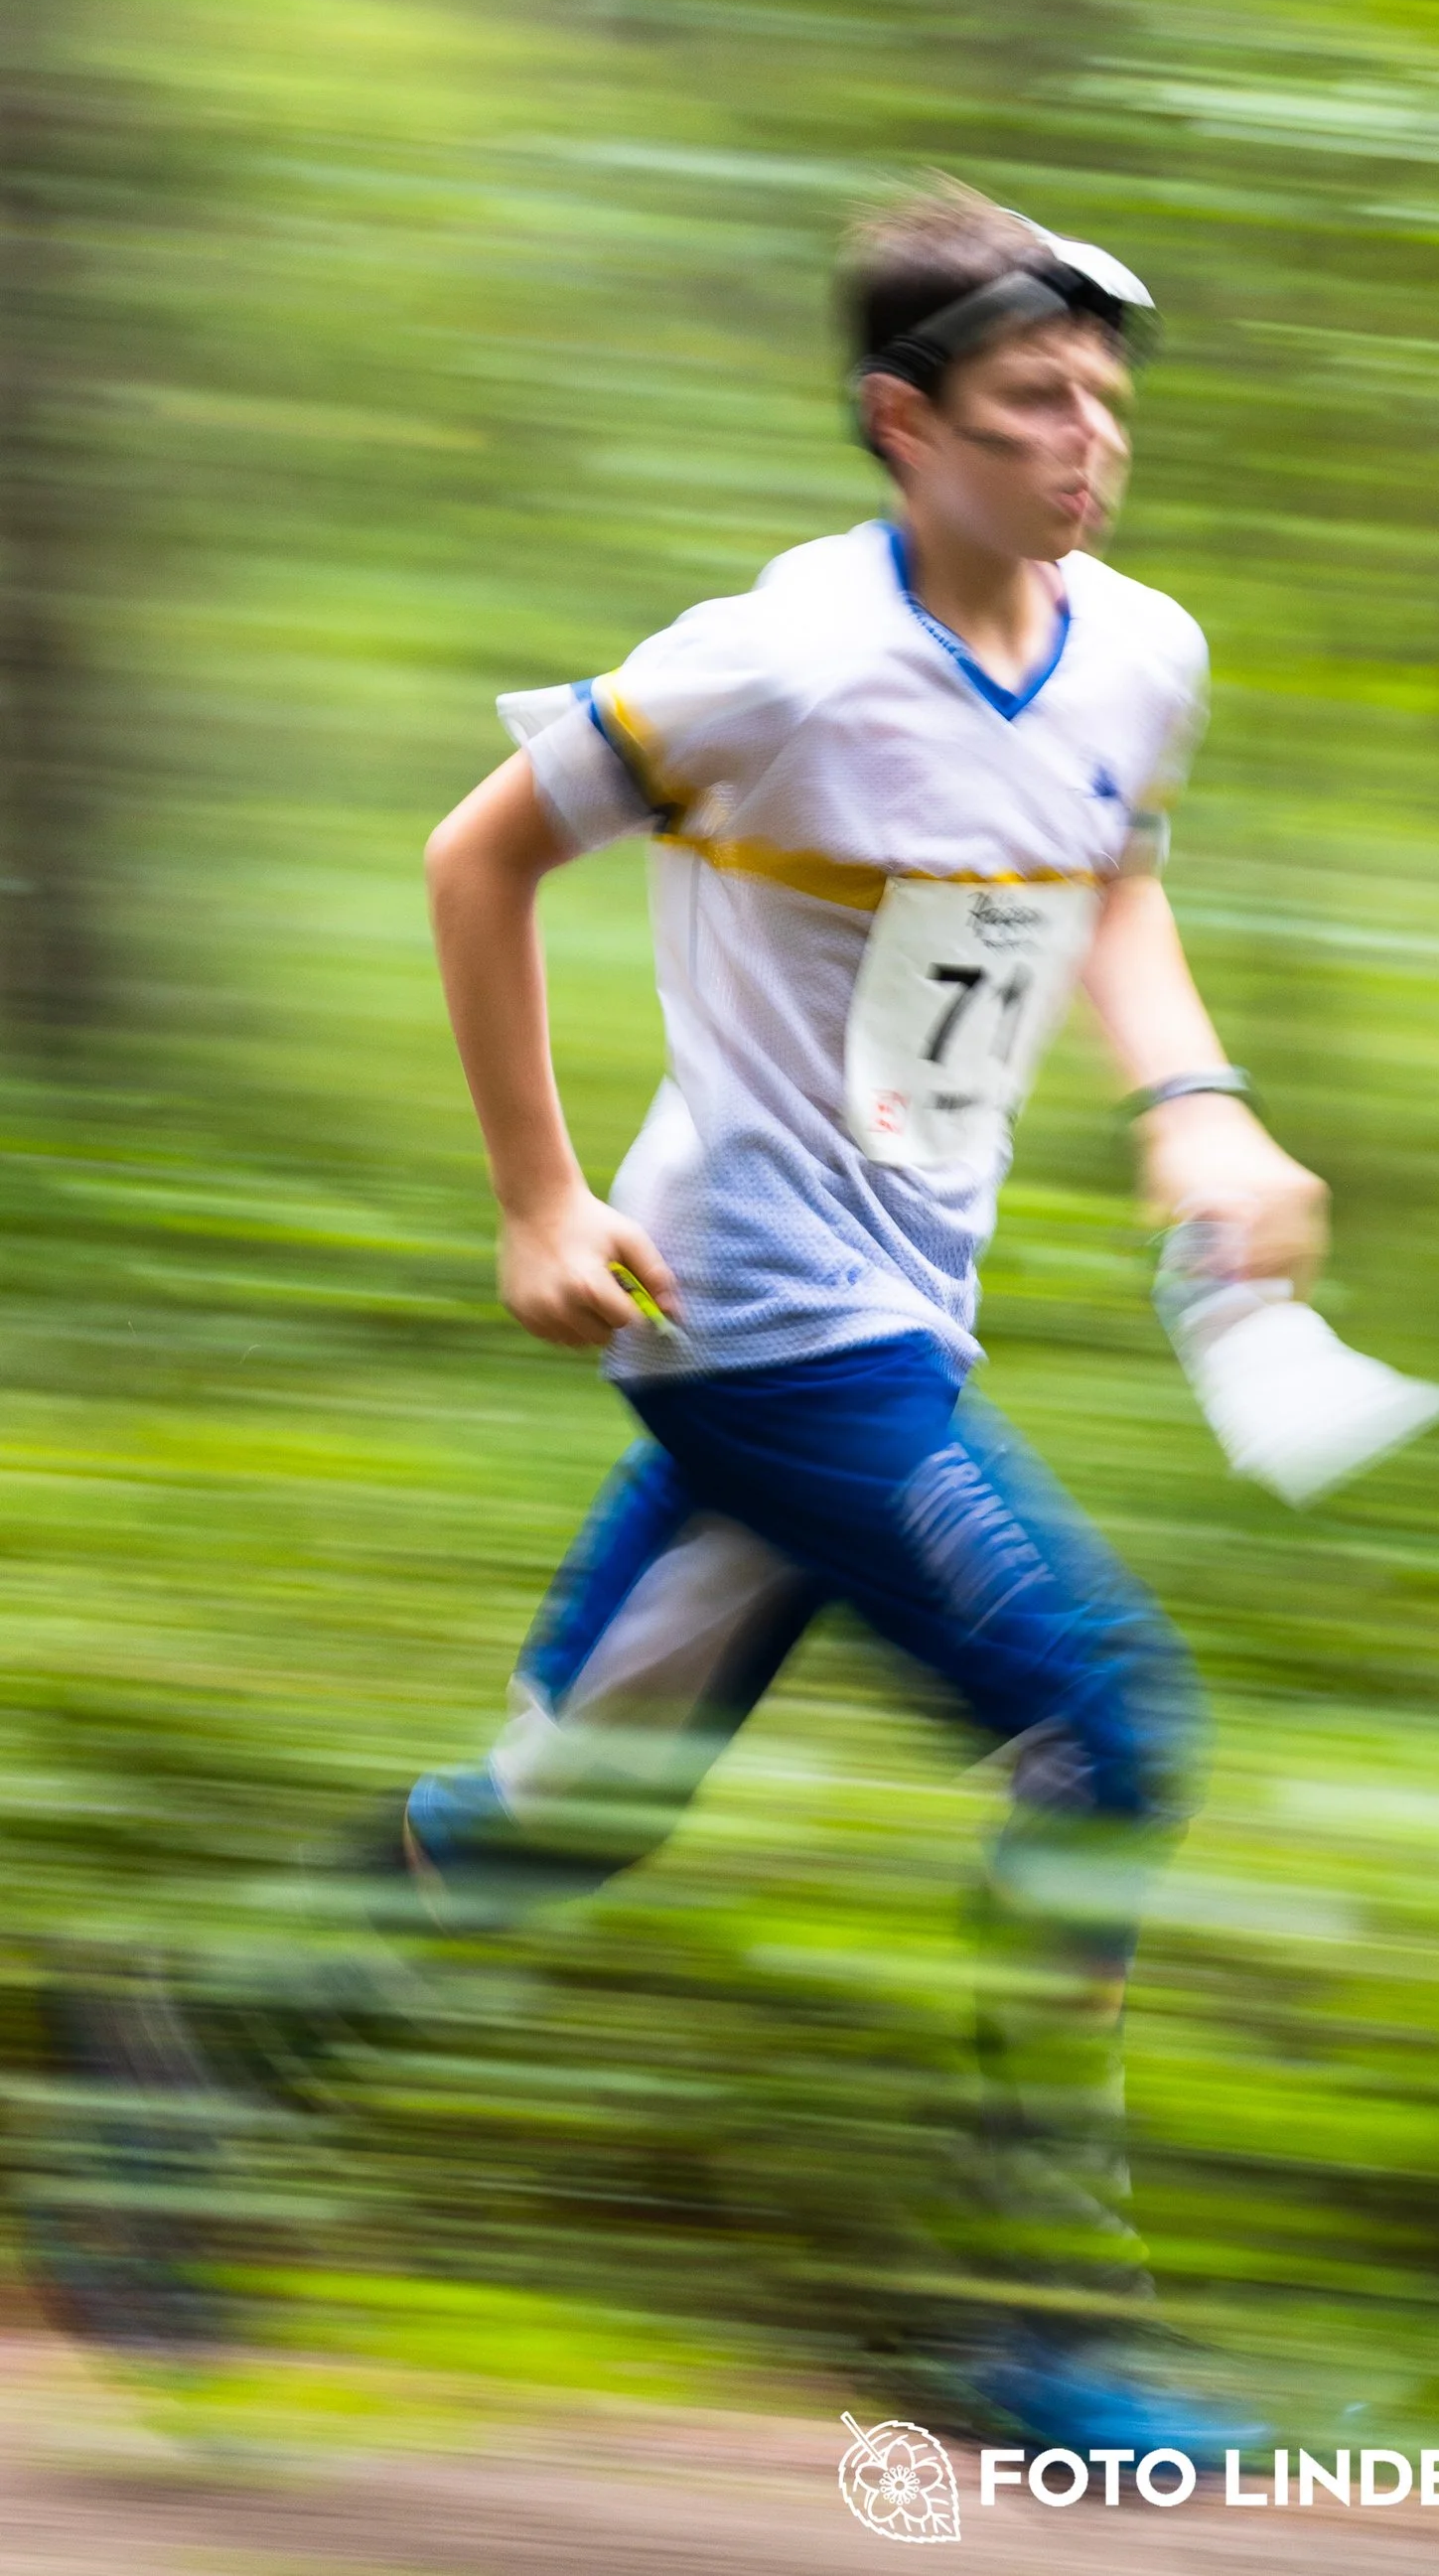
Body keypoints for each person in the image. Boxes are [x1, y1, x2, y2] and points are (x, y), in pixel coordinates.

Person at [35, 182, 1324, 2450]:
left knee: (577, 1804)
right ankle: (1037, 2320)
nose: (1086, 443)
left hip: (904, 1300)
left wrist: (1195, 1110)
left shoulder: (1141, 649)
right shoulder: (781, 661)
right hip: (752, 1305)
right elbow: (479, 854)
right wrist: (538, 1197)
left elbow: (1110, 874)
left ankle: (181, 2053)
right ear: (901, 422)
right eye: (1032, 403)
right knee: (1111, 1732)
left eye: (1104, 402)